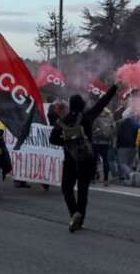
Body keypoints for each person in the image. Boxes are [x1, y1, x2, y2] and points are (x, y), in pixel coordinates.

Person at [50, 82, 118, 232]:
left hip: (70, 160)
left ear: (70, 106)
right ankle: (80, 221)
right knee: (83, 191)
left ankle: (74, 213)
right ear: (81, 105)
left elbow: (52, 139)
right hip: (88, 160)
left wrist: (67, 141)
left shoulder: (62, 121)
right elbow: (102, 102)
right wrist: (114, 87)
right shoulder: (87, 117)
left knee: (67, 188)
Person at [91, 101, 116, 186]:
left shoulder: (95, 115)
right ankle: (106, 179)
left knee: (94, 160)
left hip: (96, 141)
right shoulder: (110, 115)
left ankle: (92, 178)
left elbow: (91, 127)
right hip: (106, 141)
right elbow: (113, 128)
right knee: (105, 160)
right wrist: (112, 140)